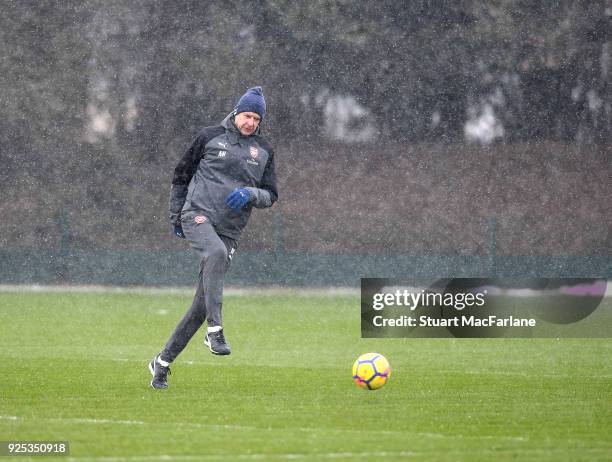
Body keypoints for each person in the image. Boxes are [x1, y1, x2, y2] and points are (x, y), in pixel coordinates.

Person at [149, 87, 278, 389]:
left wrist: (250, 193)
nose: (251, 123)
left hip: (229, 230)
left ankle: (162, 363)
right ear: (236, 112)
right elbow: (181, 176)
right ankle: (215, 331)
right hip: (197, 214)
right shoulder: (209, 137)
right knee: (216, 255)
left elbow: (271, 195)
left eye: (256, 119)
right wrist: (175, 215)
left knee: (200, 305)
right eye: (247, 115)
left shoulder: (264, 151)